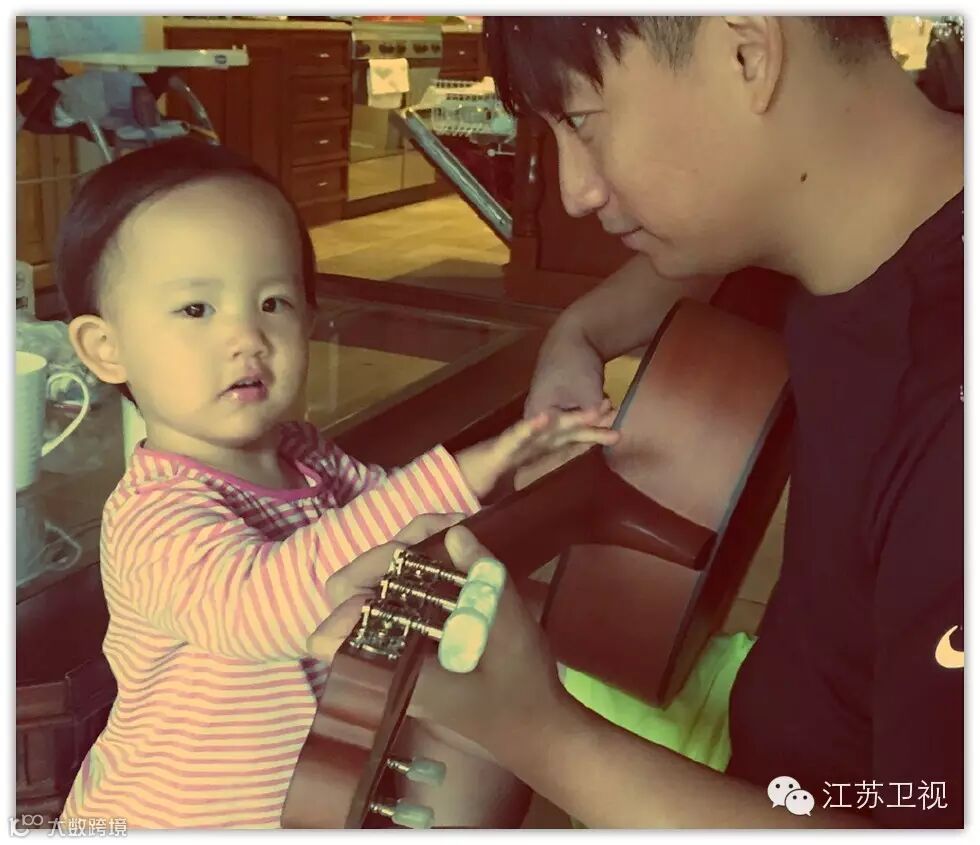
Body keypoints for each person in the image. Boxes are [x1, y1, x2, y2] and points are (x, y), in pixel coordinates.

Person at [333, 16, 962, 829]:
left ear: (747, 53)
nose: (575, 190)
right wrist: (577, 335)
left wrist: (544, 736)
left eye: (582, 120)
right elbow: (684, 273)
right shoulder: (846, 212)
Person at [53, 137, 618, 828]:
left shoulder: (306, 456)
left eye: (273, 302)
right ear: (106, 348)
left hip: (309, 793)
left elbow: (399, 516)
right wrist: (465, 469)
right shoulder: (153, 516)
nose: (247, 337)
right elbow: (261, 607)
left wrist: (510, 475)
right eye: (196, 309)